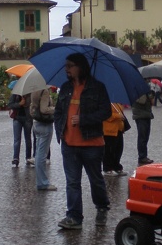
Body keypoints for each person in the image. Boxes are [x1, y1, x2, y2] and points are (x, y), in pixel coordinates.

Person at [53, 52, 111, 230]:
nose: (67, 69)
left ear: (80, 67)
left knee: (95, 180)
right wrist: (60, 132)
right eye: (66, 66)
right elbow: (58, 112)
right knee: (72, 182)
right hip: (69, 145)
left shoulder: (97, 87)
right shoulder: (65, 88)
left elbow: (106, 112)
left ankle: (102, 207)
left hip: (92, 144)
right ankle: (74, 217)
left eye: (70, 66)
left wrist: (84, 119)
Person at [30, 86, 56, 190]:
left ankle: (40, 181)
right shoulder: (43, 90)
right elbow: (44, 109)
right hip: (45, 124)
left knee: (38, 153)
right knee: (41, 155)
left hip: (36, 123)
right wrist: (55, 108)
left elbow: (33, 107)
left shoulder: (34, 89)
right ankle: (42, 183)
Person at [103, 102, 128, 176]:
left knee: (118, 150)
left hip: (118, 130)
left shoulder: (116, 103)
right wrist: (118, 116)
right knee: (109, 151)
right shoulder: (106, 102)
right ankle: (107, 168)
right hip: (109, 131)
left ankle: (116, 167)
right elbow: (105, 115)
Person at [8, 92, 33, 167]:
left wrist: (26, 102)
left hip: (28, 119)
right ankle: (16, 158)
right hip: (17, 119)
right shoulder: (16, 93)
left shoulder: (30, 93)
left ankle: (28, 157)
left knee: (28, 138)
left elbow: (33, 105)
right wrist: (19, 104)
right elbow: (10, 105)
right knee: (17, 139)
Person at [132, 84, 155, 165]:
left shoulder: (147, 89)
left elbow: (152, 103)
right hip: (140, 116)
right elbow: (142, 101)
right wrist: (147, 94)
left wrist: (151, 94)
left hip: (147, 115)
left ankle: (144, 156)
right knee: (142, 137)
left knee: (146, 136)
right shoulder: (136, 89)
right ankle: (142, 157)